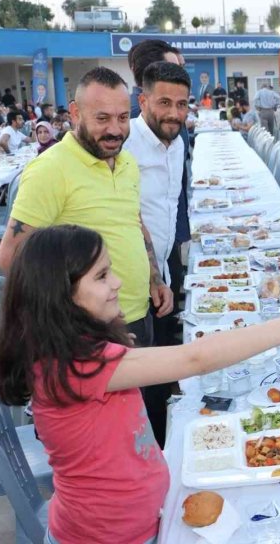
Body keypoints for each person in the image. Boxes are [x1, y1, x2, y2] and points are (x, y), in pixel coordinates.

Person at [0, 224, 280, 544]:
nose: (117, 283)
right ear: (59, 294)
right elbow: (194, 359)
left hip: (138, 522)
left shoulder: (75, 349)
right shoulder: (75, 365)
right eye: (102, 276)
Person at [0, 67, 175, 446]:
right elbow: (11, 258)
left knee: (149, 428)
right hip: (90, 340)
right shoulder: (49, 171)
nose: (115, 130)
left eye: (123, 117)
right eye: (102, 119)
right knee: (115, 446)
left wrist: (154, 278)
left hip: (137, 314)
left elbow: (133, 219)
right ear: (75, 114)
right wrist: (77, 321)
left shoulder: (123, 160)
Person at [123, 60, 189, 373]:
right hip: (131, 287)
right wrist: (152, 276)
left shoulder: (176, 142)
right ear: (143, 101)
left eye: (181, 104)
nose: (174, 113)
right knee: (143, 381)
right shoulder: (124, 145)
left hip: (163, 272)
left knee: (164, 368)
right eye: (164, 103)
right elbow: (129, 219)